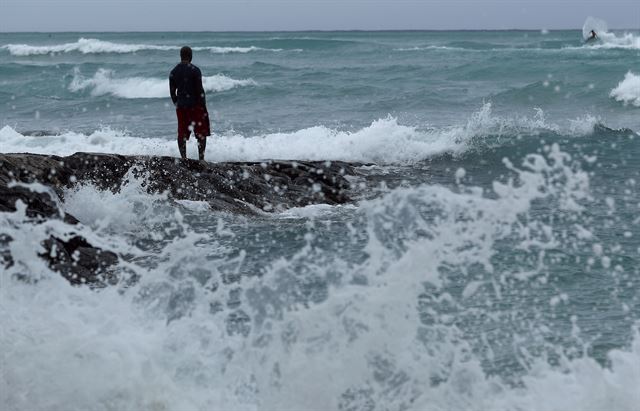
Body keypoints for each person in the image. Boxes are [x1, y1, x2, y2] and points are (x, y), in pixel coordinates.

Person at [169, 46, 210, 160]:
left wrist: (177, 103)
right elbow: (199, 90)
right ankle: (201, 159)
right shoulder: (195, 70)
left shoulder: (174, 71)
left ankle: (183, 158)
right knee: (200, 133)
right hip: (195, 106)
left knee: (182, 133)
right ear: (191, 56)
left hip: (181, 106)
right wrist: (203, 106)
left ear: (181, 56)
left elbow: (172, 93)